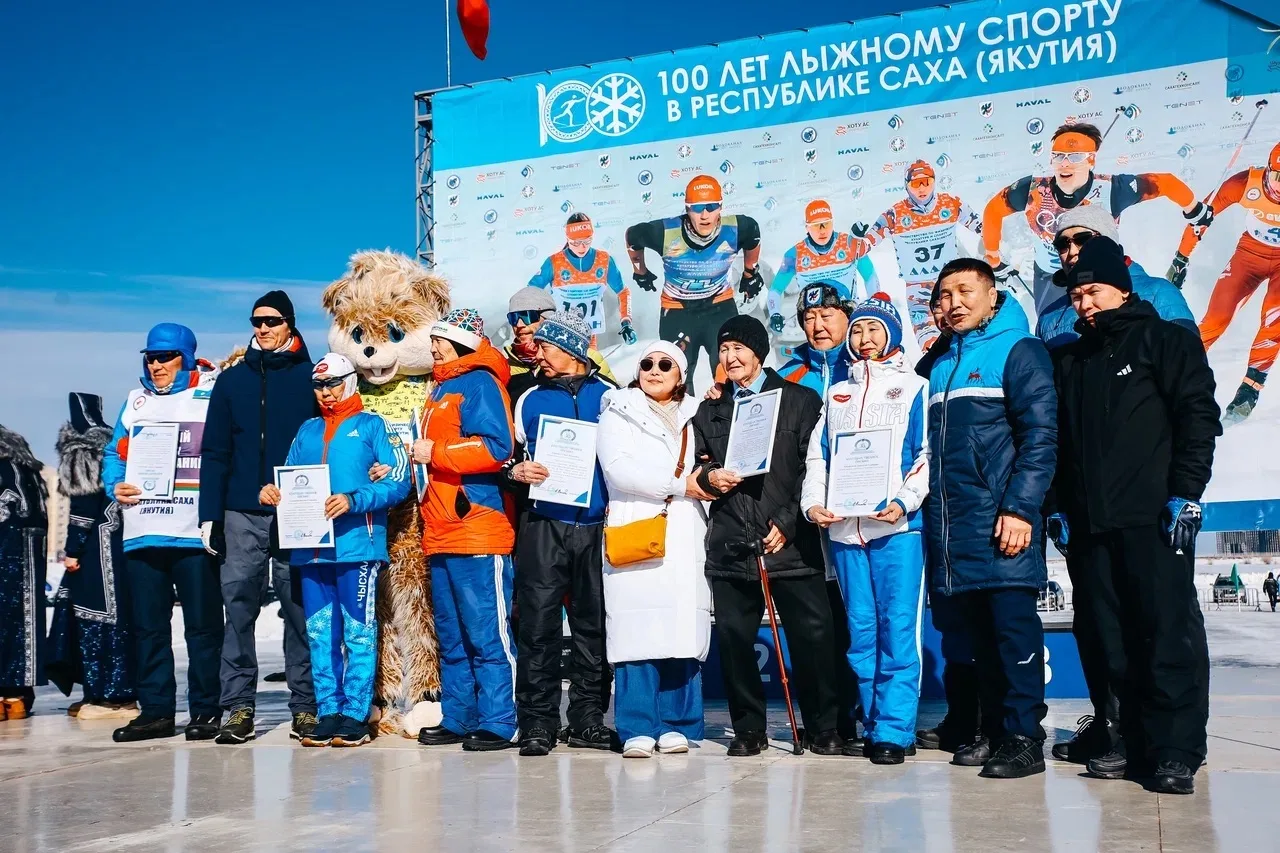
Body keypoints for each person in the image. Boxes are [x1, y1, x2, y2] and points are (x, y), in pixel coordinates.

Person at [1050, 236, 1218, 795]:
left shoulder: (1164, 341)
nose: (1084, 303)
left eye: (1093, 291)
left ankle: (1174, 750)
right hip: (1090, 526)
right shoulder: (1071, 360)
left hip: (1154, 519)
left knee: (1166, 632)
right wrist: (1057, 506)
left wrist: (1186, 493)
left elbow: (1198, 418)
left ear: (1122, 288)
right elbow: (1058, 442)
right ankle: (1123, 738)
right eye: (1076, 296)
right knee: (1105, 636)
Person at [927, 259, 1057, 779]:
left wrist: (1020, 508)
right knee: (978, 637)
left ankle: (1024, 738)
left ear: (992, 295)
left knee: (1013, 632)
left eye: (965, 291)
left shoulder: (1019, 349)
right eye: (945, 295)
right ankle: (991, 730)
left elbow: (1041, 437)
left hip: (1003, 520)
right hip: (954, 526)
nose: (954, 302)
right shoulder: (941, 362)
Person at [692, 315, 842, 756]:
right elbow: (696, 463)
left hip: (790, 542)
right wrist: (708, 476)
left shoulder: (799, 400)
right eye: (724, 349)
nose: (730, 357)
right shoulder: (710, 409)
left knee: (813, 639)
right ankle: (748, 729)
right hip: (732, 541)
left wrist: (789, 520)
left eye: (739, 348)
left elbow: (813, 467)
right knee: (736, 643)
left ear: (759, 352)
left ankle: (823, 727)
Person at [802, 294, 929, 765]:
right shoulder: (838, 392)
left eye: (874, 328)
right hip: (845, 531)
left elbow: (925, 454)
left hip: (897, 530)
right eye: (857, 330)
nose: (864, 337)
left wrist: (903, 501)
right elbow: (819, 456)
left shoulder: (914, 388)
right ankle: (874, 723)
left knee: (897, 627)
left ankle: (895, 729)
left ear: (892, 333)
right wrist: (813, 503)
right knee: (861, 632)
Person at [259, 353, 409, 747]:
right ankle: (328, 711)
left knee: (358, 632)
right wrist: (273, 493)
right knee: (320, 633)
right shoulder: (307, 430)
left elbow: (399, 481)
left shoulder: (372, 425)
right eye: (319, 385)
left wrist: (353, 499)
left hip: (357, 546)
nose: (326, 392)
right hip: (310, 548)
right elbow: (289, 478)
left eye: (333, 383)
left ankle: (355, 714)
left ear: (351, 382)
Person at [200, 290, 318, 744]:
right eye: (256, 321)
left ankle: (305, 706)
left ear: (289, 324)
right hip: (240, 511)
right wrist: (210, 514)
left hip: (296, 510)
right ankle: (238, 707)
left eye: (272, 321)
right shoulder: (232, 381)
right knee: (238, 608)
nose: (263, 328)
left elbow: (322, 443)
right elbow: (215, 451)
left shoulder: (310, 377)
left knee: (299, 608)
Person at [103, 324, 225, 742]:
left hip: (194, 532)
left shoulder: (211, 391)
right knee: (148, 628)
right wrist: (114, 484)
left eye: (165, 357)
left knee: (203, 628)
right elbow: (114, 452)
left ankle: (206, 709)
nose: (155, 365)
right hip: (143, 530)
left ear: (185, 357)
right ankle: (155, 711)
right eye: (150, 357)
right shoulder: (134, 401)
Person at [508, 311, 618, 755]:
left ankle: (588, 719)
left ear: (572, 350)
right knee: (538, 626)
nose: (538, 354)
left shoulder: (610, 396)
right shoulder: (528, 398)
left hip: (596, 525)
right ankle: (538, 721)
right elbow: (507, 457)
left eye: (547, 347)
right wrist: (515, 471)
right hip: (544, 525)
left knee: (594, 627)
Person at [596, 341, 712, 757]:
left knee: (681, 629)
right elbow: (619, 470)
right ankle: (637, 725)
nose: (655, 370)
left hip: (684, 530)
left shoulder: (698, 413)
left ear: (681, 375)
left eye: (666, 365)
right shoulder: (618, 410)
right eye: (647, 363)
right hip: (636, 527)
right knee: (636, 631)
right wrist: (682, 484)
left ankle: (679, 723)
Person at [412, 310, 520, 752]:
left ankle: (501, 720)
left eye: (440, 340)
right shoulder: (440, 387)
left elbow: (497, 446)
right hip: (440, 530)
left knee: (487, 633)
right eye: (433, 339)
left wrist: (435, 451)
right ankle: (460, 716)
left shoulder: (479, 382)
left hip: (477, 529)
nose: (434, 347)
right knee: (453, 635)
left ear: (462, 343)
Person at [982, 122, 1211, 312]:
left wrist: (1195, 210)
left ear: (1091, 160)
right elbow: (993, 210)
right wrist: (993, 257)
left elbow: (1166, 183)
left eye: (1075, 157)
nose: (1064, 163)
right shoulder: (1032, 190)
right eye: (1058, 156)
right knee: (1053, 332)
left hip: (1103, 273)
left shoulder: (1113, 189)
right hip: (1052, 274)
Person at [775, 280, 862, 741]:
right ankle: (828, 721)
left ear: (847, 316)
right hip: (806, 519)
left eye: (827, 315)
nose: (818, 325)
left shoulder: (868, 366)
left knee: (859, 622)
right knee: (817, 626)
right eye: (809, 318)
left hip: (861, 515)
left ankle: (870, 714)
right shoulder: (787, 375)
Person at [912, 291, 984, 755]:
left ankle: (991, 725)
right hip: (940, 512)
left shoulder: (1001, 348)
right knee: (953, 624)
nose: (946, 310)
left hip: (981, 508)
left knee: (984, 624)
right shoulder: (932, 364)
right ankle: (961, 719)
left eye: (957, 298)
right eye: (938, 304)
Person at [1170, 141, 1280, 425]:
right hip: (1250, 255)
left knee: (1274, 319)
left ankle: (1249, 390)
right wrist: (1181, 259)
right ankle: (1176, 372)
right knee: (1216, 317)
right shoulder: (1246, 183)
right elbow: (1201, 216)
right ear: (1268, 171)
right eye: (1278, 177)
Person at [46, 393, 138, 719]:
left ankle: (109, 697)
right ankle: (116, 692)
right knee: (121, 617)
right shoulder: (117, 445)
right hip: (121, 541)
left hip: (96, 551)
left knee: (94, 618)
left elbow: (83, 508)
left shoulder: (81, 450)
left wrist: (71, 550)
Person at [626, 175, 763, 387]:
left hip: (719, 305)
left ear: (720, 207)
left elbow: (753, 235)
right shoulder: (665, 232)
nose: (705, 215)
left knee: (729, 372)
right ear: (687, 209)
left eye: (711, 206)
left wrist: (750, 272)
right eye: (697, 208)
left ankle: (727, 407)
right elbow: (633, 236)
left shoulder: (737, 228)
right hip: (678, 309)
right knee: (676, 379)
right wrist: (640, 271)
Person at [852, 160, 984, 349]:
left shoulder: (951, 204)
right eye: (915, 184)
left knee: (964, 337)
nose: (922, 189)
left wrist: (996, 254)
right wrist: (857, 238)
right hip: (918, 289)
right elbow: (863, 247)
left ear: (934, 181)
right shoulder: (895, 215)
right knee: (929, 344)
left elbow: (984, 229)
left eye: (927, 182)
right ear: (906, 185)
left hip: (949, 283)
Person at [1037, 206, 1197, 352]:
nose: (1072, 251)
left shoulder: (1158, 292)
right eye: (1062, 245)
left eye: (1083, 239)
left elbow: (1188, 361)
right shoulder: (1048, 317)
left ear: (1109, 243)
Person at [767, 200, 878, 352]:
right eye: (815, 226)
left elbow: (870, 276)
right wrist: (775, 314)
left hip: (847, 318)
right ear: (807, 227)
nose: (822, 231)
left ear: (833, 223)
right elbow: (776, 289)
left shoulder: (849, 244)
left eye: (826, 224)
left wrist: (875, 304)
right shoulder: (794, 255)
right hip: (816, 323)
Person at [528, 213, 637, 347]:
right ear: (567, 239)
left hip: (589, 337)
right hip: (559, 336)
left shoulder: (603, 260)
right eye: (576, 242)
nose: (582, 247)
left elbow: (623, 292)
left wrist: (626, 322)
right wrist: (534, 323)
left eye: (587, 241)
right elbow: (530, 292)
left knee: (590, 360)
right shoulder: (555, 262)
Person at [0, 423, 47, 720]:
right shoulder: (28, 470)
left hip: (6, 550)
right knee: (23, 621)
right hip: (29, 555)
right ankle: (16, 697)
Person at [503, 286, 617, 405]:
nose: (519, 324)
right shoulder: (505, 367)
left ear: (547, 317)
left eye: (527, 316)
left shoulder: (588, 358)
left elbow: (612, 399)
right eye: (513, 318)